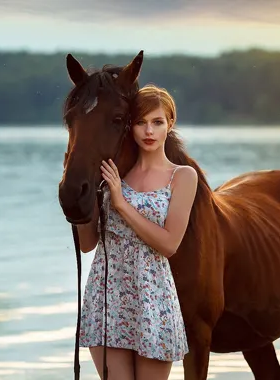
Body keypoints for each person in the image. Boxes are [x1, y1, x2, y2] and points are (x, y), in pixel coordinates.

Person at [78, 84, 197, 380]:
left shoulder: (182, 176)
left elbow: (169, 245)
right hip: (107, 296)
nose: (149, 131)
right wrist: (79, 197)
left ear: (170, 124)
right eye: (141, 122)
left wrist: (121, 203)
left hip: (153, 298)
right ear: (130, 126)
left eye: (157, 122)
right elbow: (87, 244)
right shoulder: (110, 174)